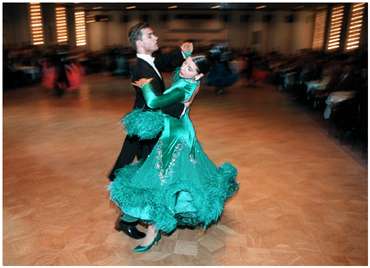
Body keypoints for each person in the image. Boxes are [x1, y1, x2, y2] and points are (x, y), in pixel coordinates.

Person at [109, 55, 239, 253]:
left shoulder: (181, 88)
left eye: (190, 68)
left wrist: (145, 86)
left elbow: (154, 102)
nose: (184, 69)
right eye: (185, 65)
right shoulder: (191, 82)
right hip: (180, 129)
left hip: (175, 138)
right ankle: (156, 221)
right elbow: (180, 74)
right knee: (174, 175)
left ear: (199, 75)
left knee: (163, 178)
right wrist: (187, 56)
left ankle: (154, 229)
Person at [108, 22, 194, 240]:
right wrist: (181, 107)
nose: (156, 37)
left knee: (145, 171)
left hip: (149, 126)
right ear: (140, 42)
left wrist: (181, 52)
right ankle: (128, 219)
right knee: (146, 175)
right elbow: (155, 101)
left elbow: (164, 60)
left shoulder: (149, 60)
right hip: (148, 126)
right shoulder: (139, 69)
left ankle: (137, 216)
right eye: (150, 35)